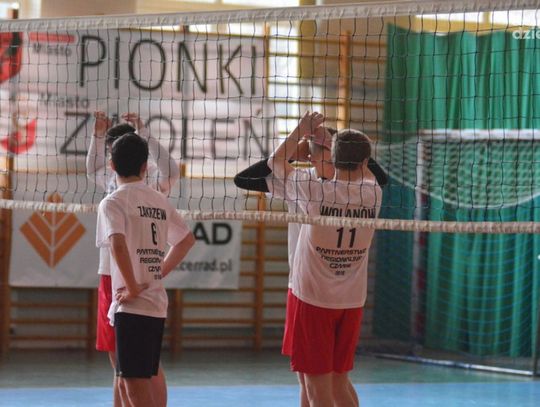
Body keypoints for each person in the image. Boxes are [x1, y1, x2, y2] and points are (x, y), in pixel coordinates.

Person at [234, 122, 386, 406]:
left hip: (313, 298)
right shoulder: (373, 192)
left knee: (319, 388)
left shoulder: (312, 189)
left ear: (332, 156)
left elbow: (275, 162)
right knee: (334, 382)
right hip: (351, 300)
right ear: (365, 162)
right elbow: (375, 172)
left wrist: (299, 134)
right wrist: (334, 142)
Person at [87, 111, 179, 406]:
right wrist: (97, 134)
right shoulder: (112, 182)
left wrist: (144, 131)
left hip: (129, 277)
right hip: (114, 274)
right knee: (125, 361)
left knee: (137, 362)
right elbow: (92, 169)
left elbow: (172, 171)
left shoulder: (148, 181)